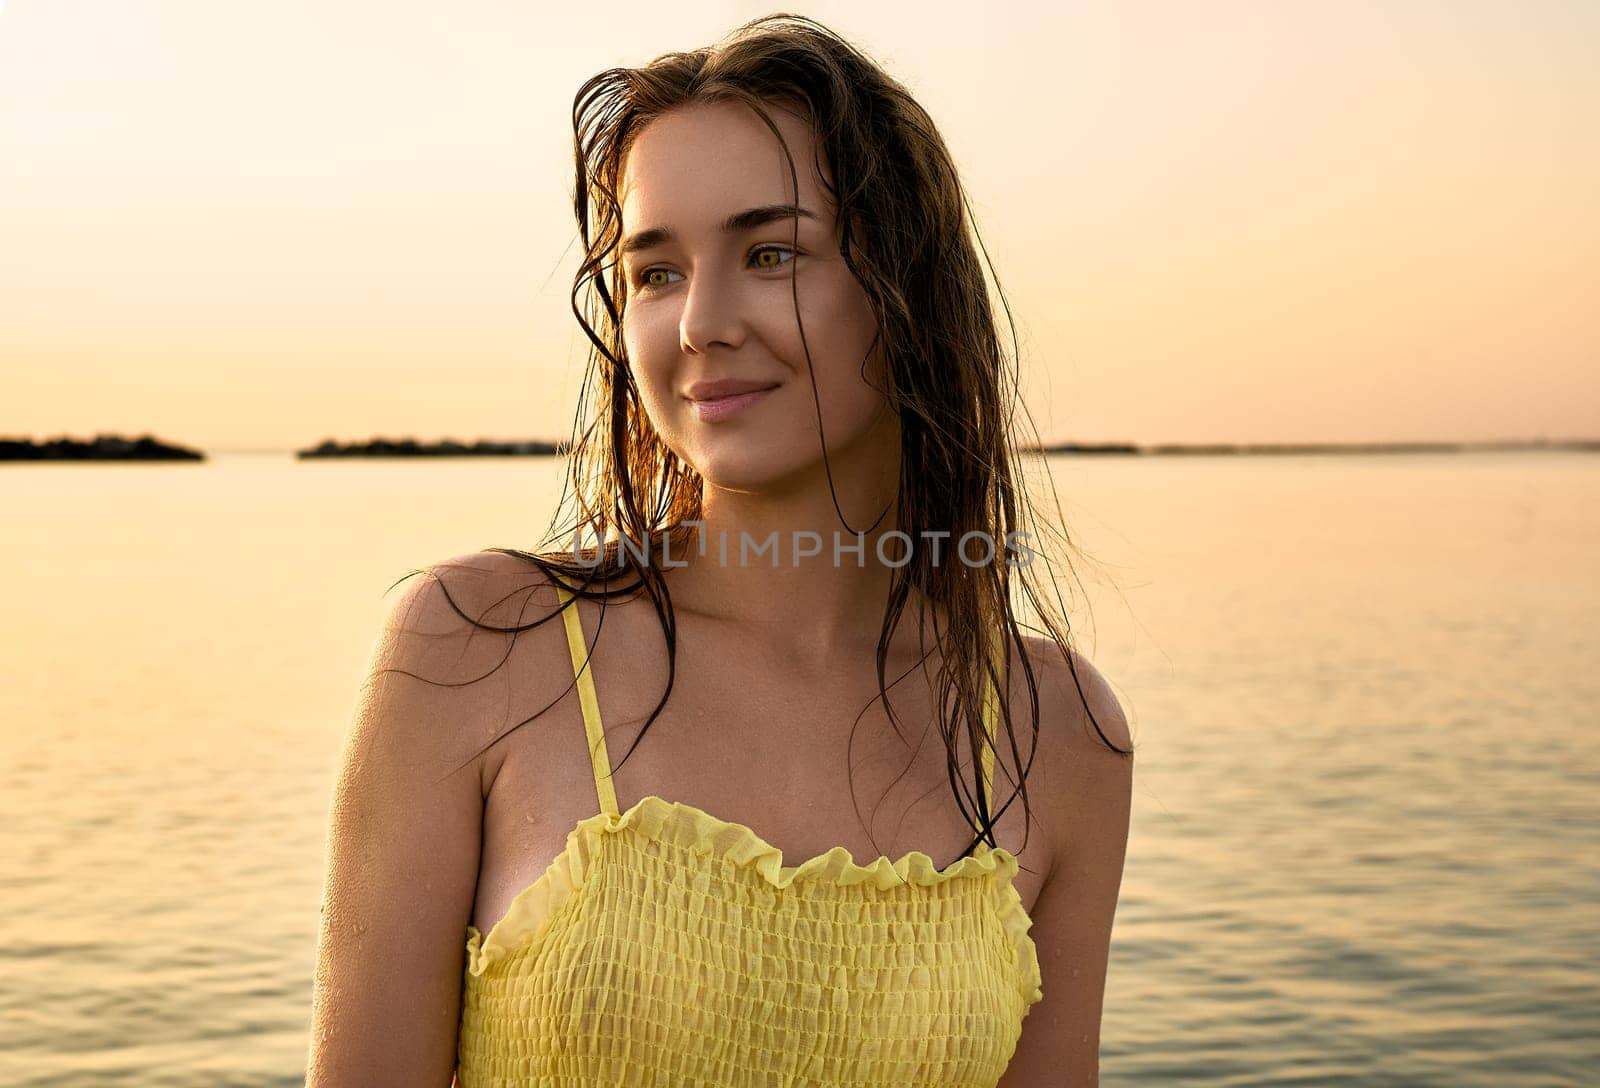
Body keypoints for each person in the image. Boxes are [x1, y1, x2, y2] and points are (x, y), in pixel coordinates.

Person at [307, 13, 1132, 1087]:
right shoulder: (479, 648)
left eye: (770, 252)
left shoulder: (1050, 725)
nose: (699, 321)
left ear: (908, 291)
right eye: (654, 272)